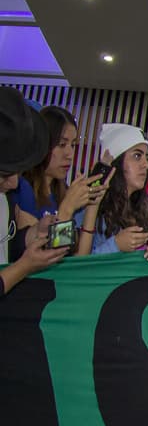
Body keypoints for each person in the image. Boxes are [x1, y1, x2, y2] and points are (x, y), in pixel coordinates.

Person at [0, 89, 68, 298]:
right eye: (4, 175)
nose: (13, 184)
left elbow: (6, 244)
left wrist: (33, 234)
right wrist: (23, 268)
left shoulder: (6, 198)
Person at [15, 106, 107, 232]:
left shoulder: (63, 192)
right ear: (43, 143)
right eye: (62, 144)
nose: (70, 154)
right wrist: (67, 209)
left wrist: (91, 205)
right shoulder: (21, 189)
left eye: (73, 145)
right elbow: (47, 249)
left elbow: (78, 251)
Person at [79, 124, 148, 260]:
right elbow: (78, 269)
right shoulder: (89, 211)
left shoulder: (141, 210)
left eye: (146, 158)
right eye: (137, 156)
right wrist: (115, 245)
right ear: (117, 162)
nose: (146, 165)